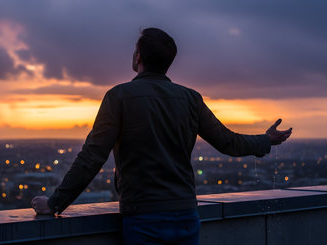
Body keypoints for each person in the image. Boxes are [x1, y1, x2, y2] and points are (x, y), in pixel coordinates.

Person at [32, 28, 292, 245]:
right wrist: (265, 140)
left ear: (137, 58)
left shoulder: (119, 97)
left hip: (143, 217)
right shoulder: (190, 98)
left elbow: (92, 157)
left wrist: (55, 204)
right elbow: (228, 141)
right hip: (187, 216)